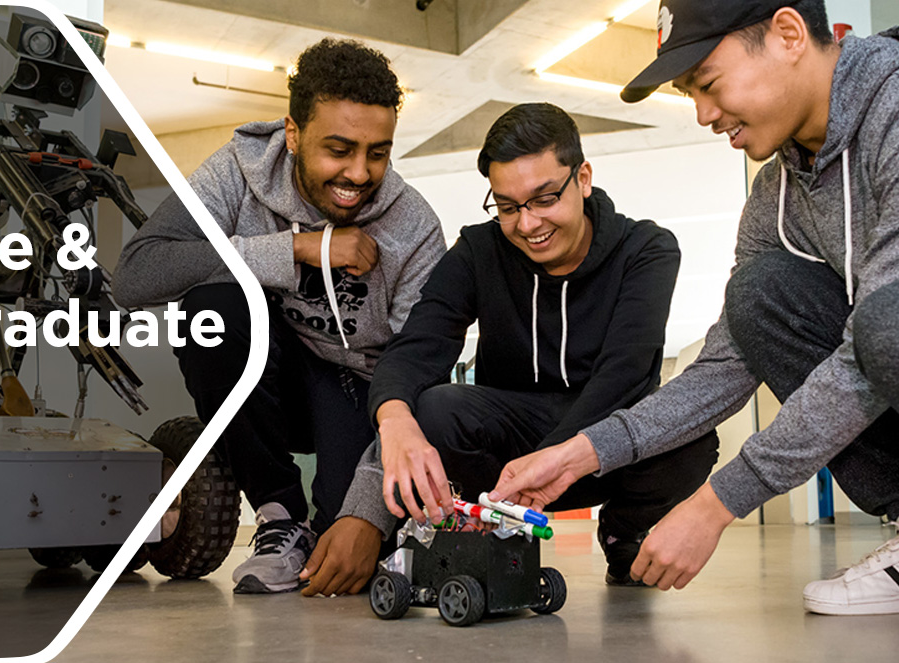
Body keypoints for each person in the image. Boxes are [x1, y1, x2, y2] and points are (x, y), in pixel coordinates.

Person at [491, 0, 899, 616]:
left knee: (885, 318)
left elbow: (884, 334)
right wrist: (579, 454)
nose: (704, 114)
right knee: (759, 295)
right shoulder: (777, 195)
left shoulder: (893, 112)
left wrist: (717, 503)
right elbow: (723, 367)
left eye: (708, 84)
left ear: (788, 34)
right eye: (690, 94)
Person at [299, 102, 719, 597]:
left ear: (582, 177)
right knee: (434, 408)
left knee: (690, 438)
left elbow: (624, 375)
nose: (527, 224)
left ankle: (622, 528)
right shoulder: (479, 251)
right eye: (508, 206)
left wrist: (555, 460)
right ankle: (467, 532)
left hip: (604, 443)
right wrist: (394, 423)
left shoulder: (646, 250)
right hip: (507, 453)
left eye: (544, 199)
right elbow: (417, 346)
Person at [112, 38, 446, 594]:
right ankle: (279, 517)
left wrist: (365, 514)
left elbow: (415, 377)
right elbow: (136, 275)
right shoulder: (237, 173)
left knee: (352, 541)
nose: (360, 173)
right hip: (271, 373)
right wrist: (297, 249)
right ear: (293, 134)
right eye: (339, 149)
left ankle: (334, 521)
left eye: (378, 152)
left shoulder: (413, 229)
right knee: (212, 308)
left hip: (358, 389)